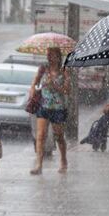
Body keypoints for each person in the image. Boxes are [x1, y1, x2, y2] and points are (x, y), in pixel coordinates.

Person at [29, 47, 70, 175]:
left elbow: (67, 90)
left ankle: (63, 160)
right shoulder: (43, 69)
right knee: (40, 136)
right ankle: (39, 164)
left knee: (59, 136)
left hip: (58, 108)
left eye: (52, 55)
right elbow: (34, 83)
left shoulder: (64, 71)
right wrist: (33, 91)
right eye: (48, 55)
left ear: (58, 57)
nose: (49, 58)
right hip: (44, 106)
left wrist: (55, 86)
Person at [81, 76, 109, 151]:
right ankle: (95, 137)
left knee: (104, 121)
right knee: (102, 120)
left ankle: (95, 138)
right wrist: (108, 106)